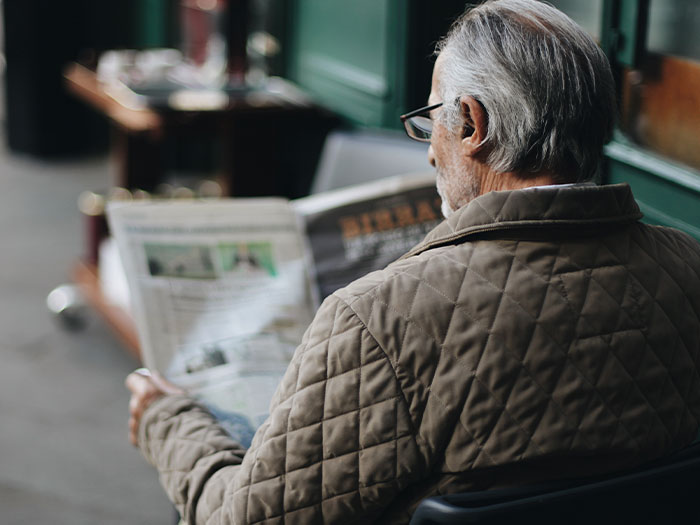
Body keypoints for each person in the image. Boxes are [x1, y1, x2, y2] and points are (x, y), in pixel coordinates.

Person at [126, 1, 700, 523]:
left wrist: (167, 421)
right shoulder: (690, 266)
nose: (428, 148)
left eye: (431, 120)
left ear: (472, 124)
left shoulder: (379, 320)